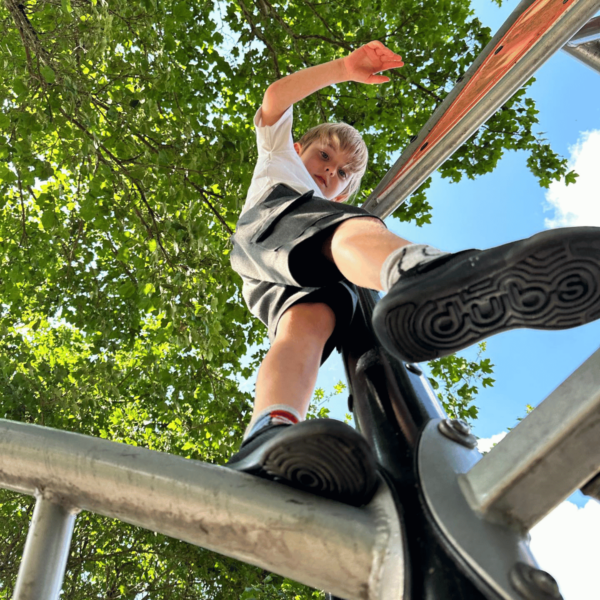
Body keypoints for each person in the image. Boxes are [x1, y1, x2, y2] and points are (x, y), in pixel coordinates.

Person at [227, 41, 600, 506]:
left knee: (308, 327)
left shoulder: (332, 207)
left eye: (343, 173)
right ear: (299, 146)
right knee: (351, 231)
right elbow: (277, 96)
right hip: (273, 226)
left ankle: (270, 430)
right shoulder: (279, 158)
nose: (330, 172)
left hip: (278, 275)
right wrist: (343, 68)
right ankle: (427, 271)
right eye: (324, 156)